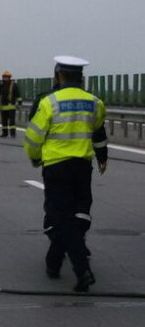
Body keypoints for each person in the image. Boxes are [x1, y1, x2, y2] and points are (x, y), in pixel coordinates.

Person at [23, 56, 108, 292]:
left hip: (56, 167)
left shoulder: (49, 102)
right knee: (80, 215)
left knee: (59, 219)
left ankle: (81, 270)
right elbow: (97, 128)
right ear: (81, 78)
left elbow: (33, 137)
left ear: (58, 76)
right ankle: (54, 261)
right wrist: (103, 155)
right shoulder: (94, 102)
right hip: (82, 167)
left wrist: (35, 157)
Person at [0, 70, 23, 138]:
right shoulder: (1, 85)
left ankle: (13, 133)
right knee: (4, 121)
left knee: (11, 122)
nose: (5, 78)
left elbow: (18, 95)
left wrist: (20, 103)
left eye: (6, 77)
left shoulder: (13, 85)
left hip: (11, 106)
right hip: (3, 107)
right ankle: (4, 133)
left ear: (9, 78)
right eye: (4, 77)